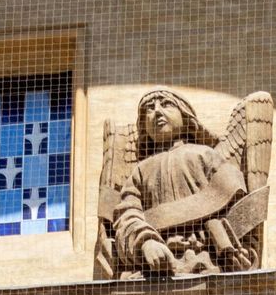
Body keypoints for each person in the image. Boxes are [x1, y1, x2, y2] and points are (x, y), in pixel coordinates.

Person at [104, 89, 261, 278]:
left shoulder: (205, 155)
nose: (157, 112)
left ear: (185, 116)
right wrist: (146, 243)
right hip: (155, 271)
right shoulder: (140, 170)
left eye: (166, 104)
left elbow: (237, 203)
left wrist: (234, 247)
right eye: (149, 109)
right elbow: (127, 215)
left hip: (207, 261)